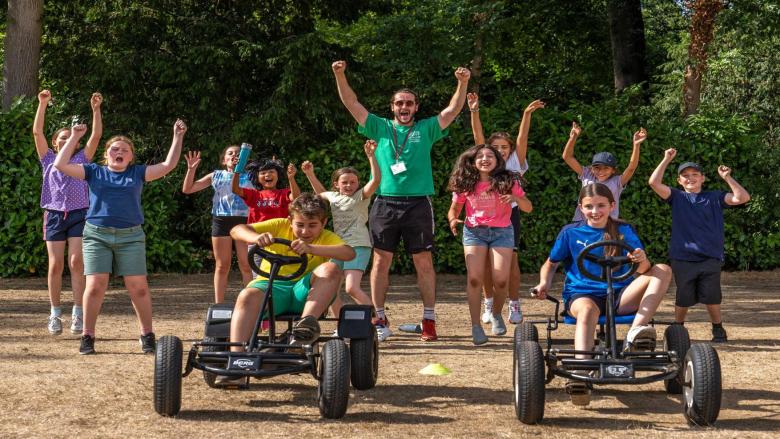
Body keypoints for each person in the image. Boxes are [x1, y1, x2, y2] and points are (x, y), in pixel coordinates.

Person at [332, 59, 470, 342]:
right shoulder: (380, 128)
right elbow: (351, 103)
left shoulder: (427, 128)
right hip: (385, 203)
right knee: (381, 263)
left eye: (409, 103)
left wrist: (462, 82)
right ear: (392, 107)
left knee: (424, 263)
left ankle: (429, 319)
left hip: (419, 203)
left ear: (416, 107)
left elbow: (453, 110)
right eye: (399, 103)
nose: (404, 108)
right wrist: (340, 74)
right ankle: (379, 316)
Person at [54, 119, 188, 355]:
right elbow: (61, 164)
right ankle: (88, 336)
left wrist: (177, 136)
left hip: (131, 237)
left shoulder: (137, 173)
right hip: (96, 235)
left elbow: (167, 165)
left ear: (131, 157)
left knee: (139, 288)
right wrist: (75, 136)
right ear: (106, 154)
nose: (119, 152)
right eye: (114, 149)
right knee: (95, 286)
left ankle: (147, 334)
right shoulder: (94, 171)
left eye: (124, 150)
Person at [532, 183, 672, 404]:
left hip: (619, 294)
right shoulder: (571, 232)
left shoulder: (624, 230)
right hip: (582, 295)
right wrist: (543, 284)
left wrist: (641, 259)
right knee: (588, 310)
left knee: (663, 269)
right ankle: (581, 373)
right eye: (589, 206)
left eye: (601, 206)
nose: (595, 211)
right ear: (581, 207)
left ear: (612, 206)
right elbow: (550, 264)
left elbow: (644, 270)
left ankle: (636, 332)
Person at [222, 193, 355, 384]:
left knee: (331, 268)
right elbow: (236, 230)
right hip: (271, 288)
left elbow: (348, 253)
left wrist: (311, 249)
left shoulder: (326, 237)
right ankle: (238, 362)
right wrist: (256, 237)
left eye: (312, 225)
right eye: (300, 225)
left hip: (305, 294)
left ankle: (303, 330)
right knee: (246, 295)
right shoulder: (279, 225)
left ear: (323, 223)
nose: (305, 232)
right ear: (290, 220)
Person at [648, 149, 750, 342]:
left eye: (695, 175)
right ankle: (678, 329)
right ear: (679, 181)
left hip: (710, 257)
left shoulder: (715, 197)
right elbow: (653, 183)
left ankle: (717, 328)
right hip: (683, 257)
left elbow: (742, 197)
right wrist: (666, 159)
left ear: (703, 178)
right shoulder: (677, 197)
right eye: (685, 176)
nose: (690, 178)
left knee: (712, 295)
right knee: (683, 295)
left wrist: (727, 177)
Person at [466, 92, 543, 326]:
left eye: (504, 146)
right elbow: (478, 137)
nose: (500, 150)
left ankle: (514, 302)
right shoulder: (486, 160)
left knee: (512, 263)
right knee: (488, 265)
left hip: (509, 217)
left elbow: (523, 136)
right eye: (495, 146)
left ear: (510, 149)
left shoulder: (515, 163)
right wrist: (474, 110)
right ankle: (489, 302)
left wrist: (526, 114)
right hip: (483, 220)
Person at [33, 89, 103, 335]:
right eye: (61, 138)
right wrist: (43, 104)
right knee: (55, 265)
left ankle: (78, 313)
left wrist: (95, 110)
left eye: (68, 137)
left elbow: (96, 136)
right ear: (55, 143)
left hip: (79, 214)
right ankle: (54, 313)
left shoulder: (82, 158)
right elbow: (37, 132)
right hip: (53, 214)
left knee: (76, 263)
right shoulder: (48, 159)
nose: (65, 140)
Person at [447, 144, 532, 345]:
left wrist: (515, 198)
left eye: (490, 156)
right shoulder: (465, 183)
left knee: (501, 280)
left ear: (497, 161)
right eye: (480, 156)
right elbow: (454, 209)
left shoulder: (507, 180)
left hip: (502, 231)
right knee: (475, 278)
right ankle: (476, 325)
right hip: (474, 232)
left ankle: (496, 314)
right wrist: (452, 220)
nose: (485, 159)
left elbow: (528, 207)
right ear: (473, 161)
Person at [300, 139, 380, 315]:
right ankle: (340, 325)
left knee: (352, 288)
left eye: (353, 182)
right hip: (338, 248)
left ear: (358, 183)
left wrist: (371, 156)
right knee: (331, 290)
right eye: (345, 182)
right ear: (336, 184)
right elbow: (320, 194)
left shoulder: (361, 196)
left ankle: (379, 321)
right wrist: (310, 174)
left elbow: (375, 180)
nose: (349, 185)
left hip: (358, 246)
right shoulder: (333, 196)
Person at [181, 147, 253, 303]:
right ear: (223, 160)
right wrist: (191, 169)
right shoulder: (216, 175)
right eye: (230, 153)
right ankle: (218, 306)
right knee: (222, 266)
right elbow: (187, 189)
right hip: (221, 221)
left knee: (246, 266)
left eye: (238, 153)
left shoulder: (252, 176)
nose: (235, 155)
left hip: (244, 222)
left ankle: (250, 305)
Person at [562, 122, 646, 221]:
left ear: (613, 170)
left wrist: (636, 145)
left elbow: (631, 168)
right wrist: (573, 137)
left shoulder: (617, 182)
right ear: (591, 168)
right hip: (582, 225)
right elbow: (567, 157)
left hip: (606, 228)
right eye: (597, 167)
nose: (601, 171)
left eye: (606, 168)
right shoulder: (587, 174)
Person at [231, 157, 300, 224]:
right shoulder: (253, 194)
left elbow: (296, 197)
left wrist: (291, 178)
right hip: (257, 233)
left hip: (278, 233)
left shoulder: (284, 193)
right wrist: (237, 170)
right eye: (263, 173)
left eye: (271, 171)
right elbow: (235, 190)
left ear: (278, 175)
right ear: (257, 178)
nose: (267, 175)